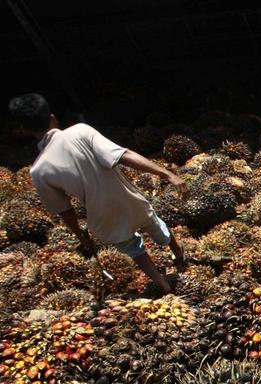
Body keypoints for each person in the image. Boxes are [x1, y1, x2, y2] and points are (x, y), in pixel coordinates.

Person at [10, 93, 187, 295]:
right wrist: (165, 173)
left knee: (132, 248)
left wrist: (81, 235)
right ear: (53, 118)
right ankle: (178, 254)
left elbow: (64, 210)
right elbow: (123, 155)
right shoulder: (80, 131)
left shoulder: (39, 171)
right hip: (128, 198)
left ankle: (161, 284)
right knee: (155, 224)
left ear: (23, 130)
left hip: (102, 215)